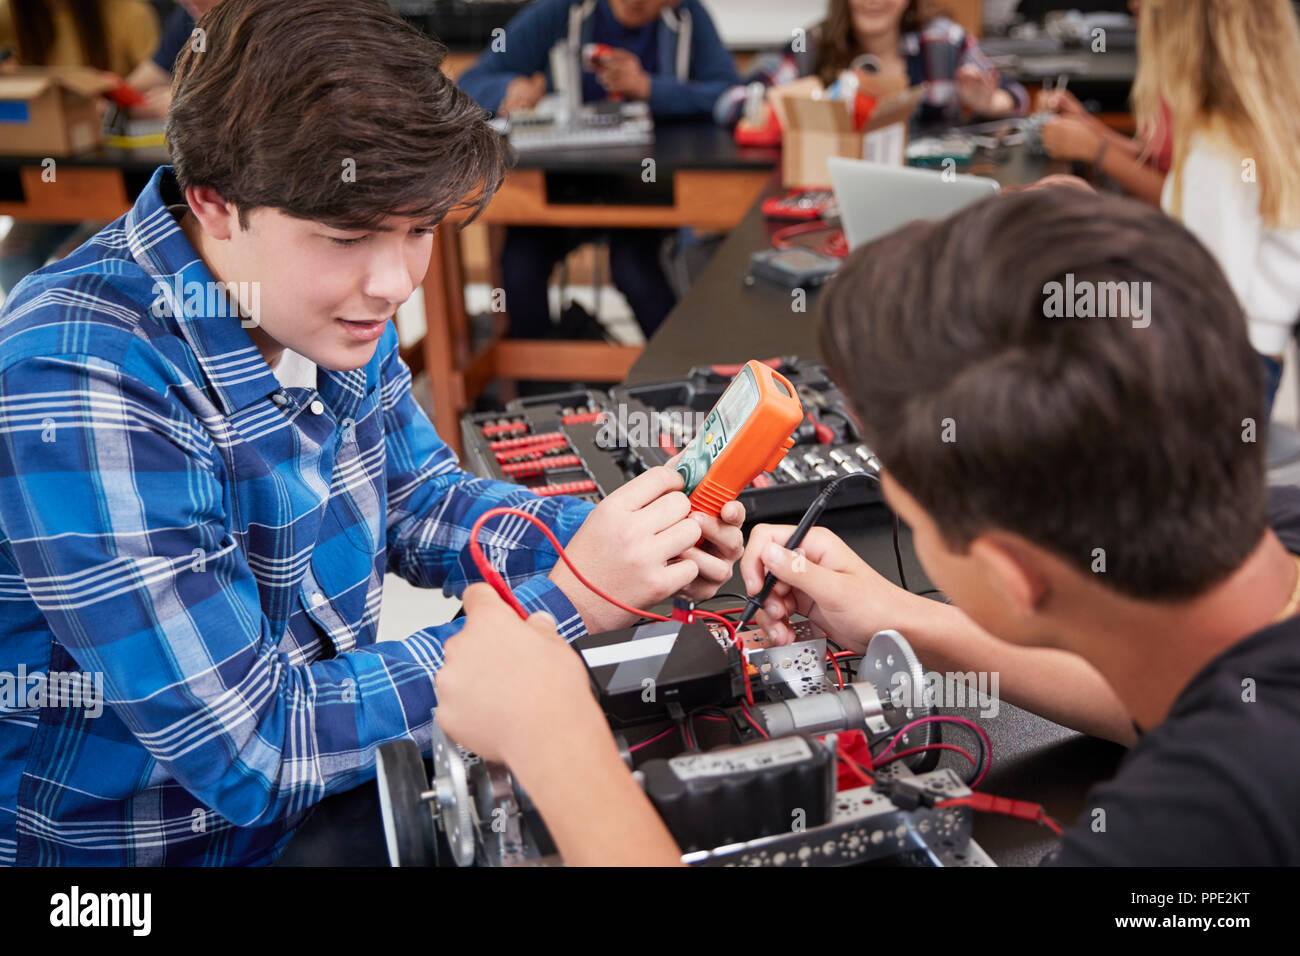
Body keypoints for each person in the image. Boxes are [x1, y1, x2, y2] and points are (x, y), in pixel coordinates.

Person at [0, 0, 744, 866]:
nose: (394, 283)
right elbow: (256, 750)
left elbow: (416, 497)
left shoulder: (325, 306)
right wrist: (573, 603)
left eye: (420, 229)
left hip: (319, 797)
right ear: (213, 201)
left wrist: (630, 543)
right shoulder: (80, 377)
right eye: (349, 237)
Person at [435, 187, 1300, 866]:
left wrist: (559, 750)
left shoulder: (1196, 835)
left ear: (1012, 573)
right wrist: (904, 615)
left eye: (910, 510)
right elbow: (1173, 692)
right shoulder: (1264, 553)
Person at [458, 0, 739, 341]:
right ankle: (536, 385)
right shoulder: (560, 12)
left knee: (634, 268)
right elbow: (470, 82)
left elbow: (729, 94)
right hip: (562, 192)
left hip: (647, 194)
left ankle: (680, 370)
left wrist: (650, 88)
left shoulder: (689, 18)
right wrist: (505, 90)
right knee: (520, 267)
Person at [1131, 0, 1300, 417]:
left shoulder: (1217, 151)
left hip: (1225, 366)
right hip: (1259, 353)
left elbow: (1207, 296)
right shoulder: (1258, 130)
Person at [0, 0, 159, 298]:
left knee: (73, 260)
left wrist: (113, 102)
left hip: (117, 179)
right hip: (47, 178)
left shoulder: (128, 14)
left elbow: (164, 88)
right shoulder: (13, 13)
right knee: (12, 255)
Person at [715, 0, 1028, 128]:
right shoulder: (812, 45)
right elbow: (730, 103)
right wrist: (791, 105)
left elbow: (1018, 99)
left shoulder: (944, 41)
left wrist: (990, 102)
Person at [122, 0, 223, 119]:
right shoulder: (189, 14)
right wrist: (113, 94)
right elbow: (156, 71)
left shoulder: (246, 21)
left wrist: (191, 99)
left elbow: (241, 92)